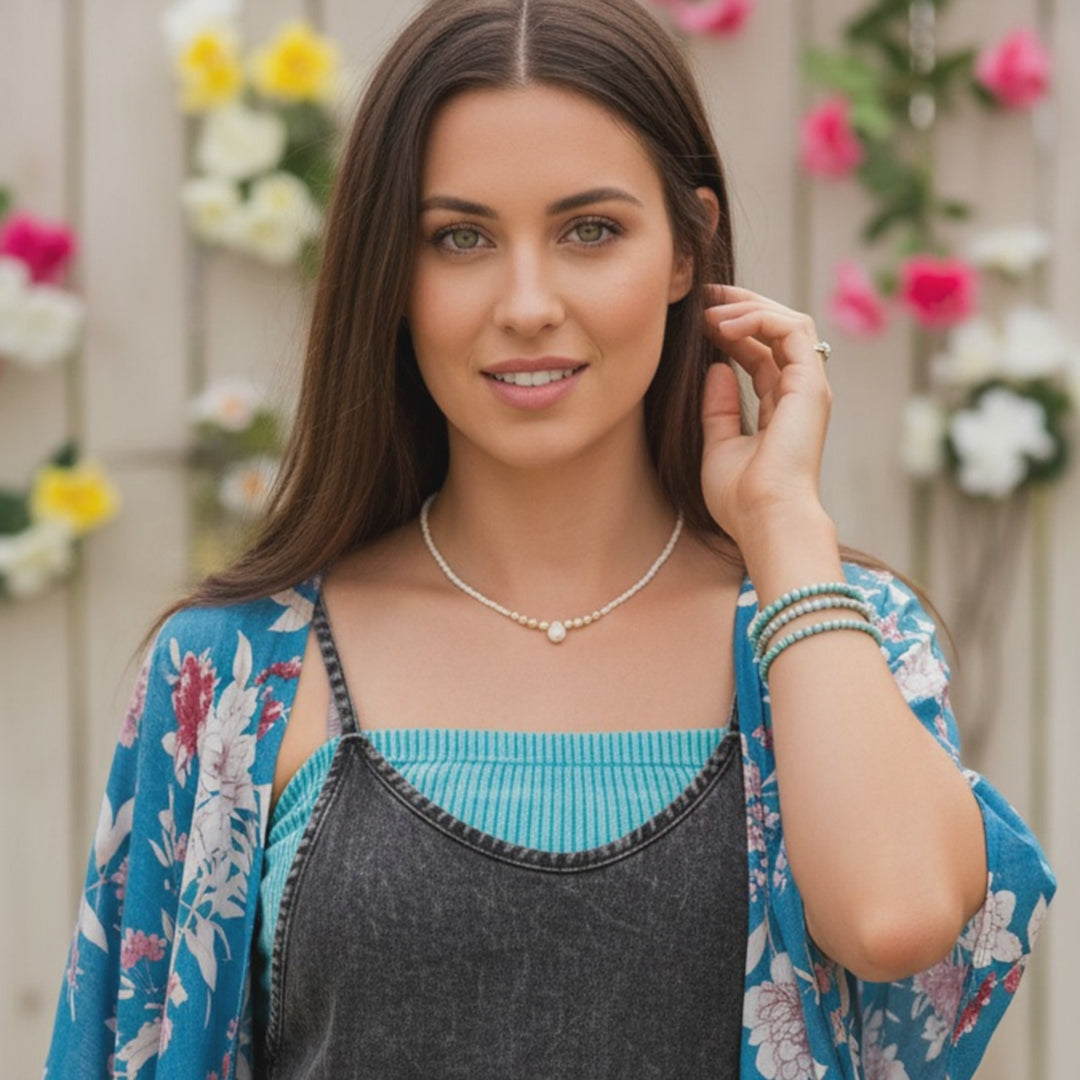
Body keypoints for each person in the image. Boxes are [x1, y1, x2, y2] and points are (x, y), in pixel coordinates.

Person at [44, 0, 1055, 1076]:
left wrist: (785, 527)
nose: (527, 304)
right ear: (392, 270)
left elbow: (897, 921)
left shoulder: (830, 632)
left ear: (687, 248)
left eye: (591, 231)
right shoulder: (233, 673)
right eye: (460, 238)